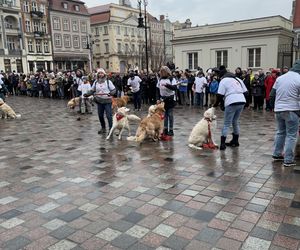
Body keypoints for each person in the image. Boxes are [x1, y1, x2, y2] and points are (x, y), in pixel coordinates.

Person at [270, 60, 300, 167]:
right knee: (291, 135)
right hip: (292, 110)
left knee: (280, 132)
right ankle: (288, 160)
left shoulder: (280, 78)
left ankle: (277, 154)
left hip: (279, 110)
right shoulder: (298, 78)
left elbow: (272, 95)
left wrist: (273, 107)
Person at [214, 65, 248, 150]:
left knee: (226, 123)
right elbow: (246, 92)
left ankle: (222, 144)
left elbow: (219, 95)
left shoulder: (223, 80)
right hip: (241, 101)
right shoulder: (238, 79)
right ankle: (235, 141)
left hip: (231, 101)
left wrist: (215, 105)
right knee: (235, 121)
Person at [86, 68, 116, 134]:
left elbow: (114, 90)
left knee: (109, 116)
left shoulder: (108, 82)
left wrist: (111, 93)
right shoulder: (96, 82)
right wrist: (87, 94)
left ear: (104, 74)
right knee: (100, 115)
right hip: (99, 101)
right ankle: (103, 128)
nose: (100, 74)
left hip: (107, 101)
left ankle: (111, 129)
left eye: (101, 73)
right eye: (99, 73)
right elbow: (92, 90)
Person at [157, 66, 177, 136]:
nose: (162, 73)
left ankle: (171, 129)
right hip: (163, 99)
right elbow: (157, 89)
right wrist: (157, 98)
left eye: (163, 71)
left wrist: (167, 85)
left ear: (167, 72)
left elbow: (174, 88)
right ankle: (165, 128)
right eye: (161, 72)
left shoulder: (172, 79)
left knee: (170, 115)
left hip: (170, 99)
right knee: (164, 115)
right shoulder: (160, 79)